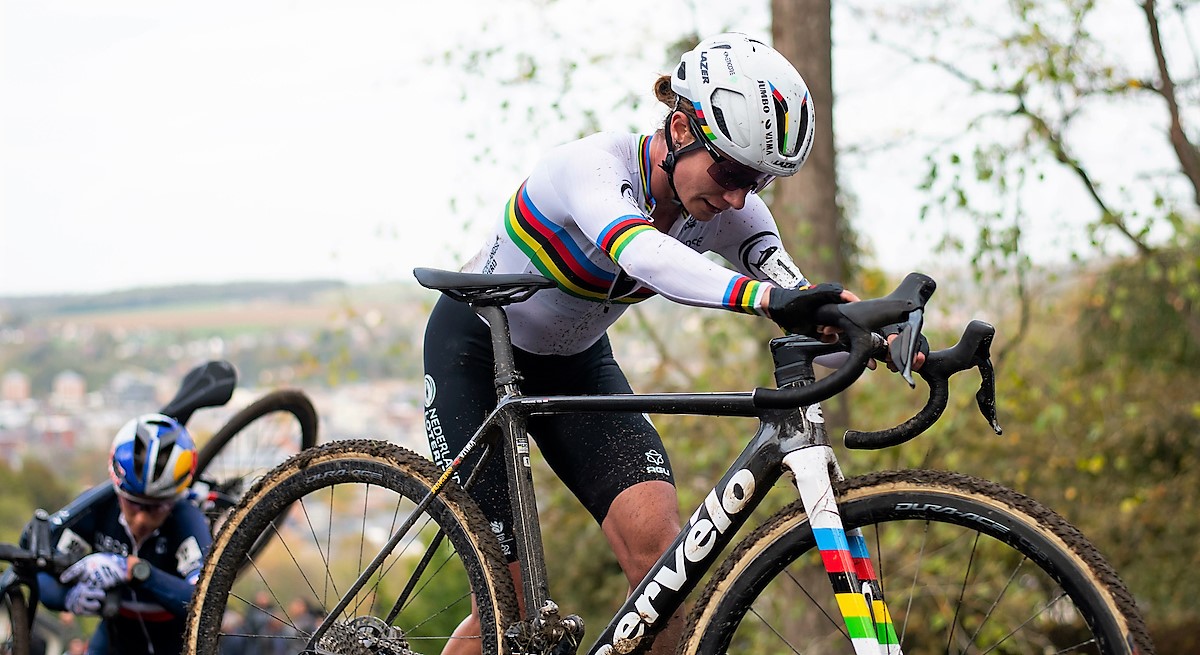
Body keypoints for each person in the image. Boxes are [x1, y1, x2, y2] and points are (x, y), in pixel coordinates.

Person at [423, 33, 911, 655]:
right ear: (681, 126)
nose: (736, 196)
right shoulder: (591, 168)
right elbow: (645, 254)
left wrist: (887, 344)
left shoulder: (728, 212)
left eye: (754, 180)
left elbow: (800, 300)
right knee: (506, 612)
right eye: (730, 170)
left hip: (574, 363)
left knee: (663, 567)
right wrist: (767, 300)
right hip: (475, 350)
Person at [37, 413, 211, 655]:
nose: (141, 518)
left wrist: (134, 570)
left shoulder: (185, 518)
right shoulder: (97, 507)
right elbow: (41, 569)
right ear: (118, 489)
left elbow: (205, 601)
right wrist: (66, 597)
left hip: (175, 641)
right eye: (133, 504)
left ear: (174, 499)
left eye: (155, 507)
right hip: (115, 635)